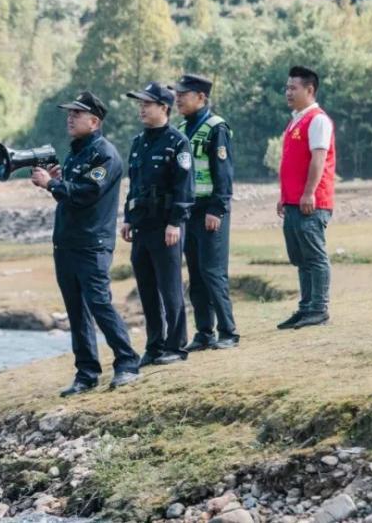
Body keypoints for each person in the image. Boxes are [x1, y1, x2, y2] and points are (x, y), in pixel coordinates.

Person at [31, 90, 141, 396]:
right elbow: (70, 193)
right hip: (67, 242)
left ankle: (127, 362)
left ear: (94, 122)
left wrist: (52, 183)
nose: (70, 118)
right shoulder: (77, 153)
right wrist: (56, 182)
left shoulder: (105, 154)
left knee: (99, 303)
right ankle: (87, 372)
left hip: (92, 243)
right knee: (76, 310)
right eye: (69, 113)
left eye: (77, 114)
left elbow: (87, 193)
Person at [121, 81, 193, 367]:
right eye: (140, 104)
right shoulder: (138, 142)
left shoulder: (177, 142)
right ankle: (154, 346)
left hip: (166, 228)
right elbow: (134, 185)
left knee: (170, 288)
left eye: (147, 104)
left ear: (164, 108)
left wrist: (175, 222)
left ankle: (176, 346)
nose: (141, 109)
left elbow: (184, 187)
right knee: (147, 289)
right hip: (142, 226)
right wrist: (128, 218)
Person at [171, 74, 239, 350]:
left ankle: (228, 332)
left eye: (183, 95)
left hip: (210, 210)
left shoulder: (216, 127)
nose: (177, 99)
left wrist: (217, 209)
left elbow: (224, 173)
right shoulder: (181, 128)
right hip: (190, 211)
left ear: (201, 97)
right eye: (176, 95)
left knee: (213, 271)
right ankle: (204, 332)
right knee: (196, 274)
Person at [276, 66, 336, 330]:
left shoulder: (318, 120)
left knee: (314, 255)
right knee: (300, 257)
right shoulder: (295, 120)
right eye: (287, 87)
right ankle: (306, 307)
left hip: (312, 202)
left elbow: (318, 159)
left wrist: (309, 192)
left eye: (294, 88)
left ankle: (319, 309)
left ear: (309, 90)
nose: (288, 92)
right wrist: (284, 196)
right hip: (293, 202)